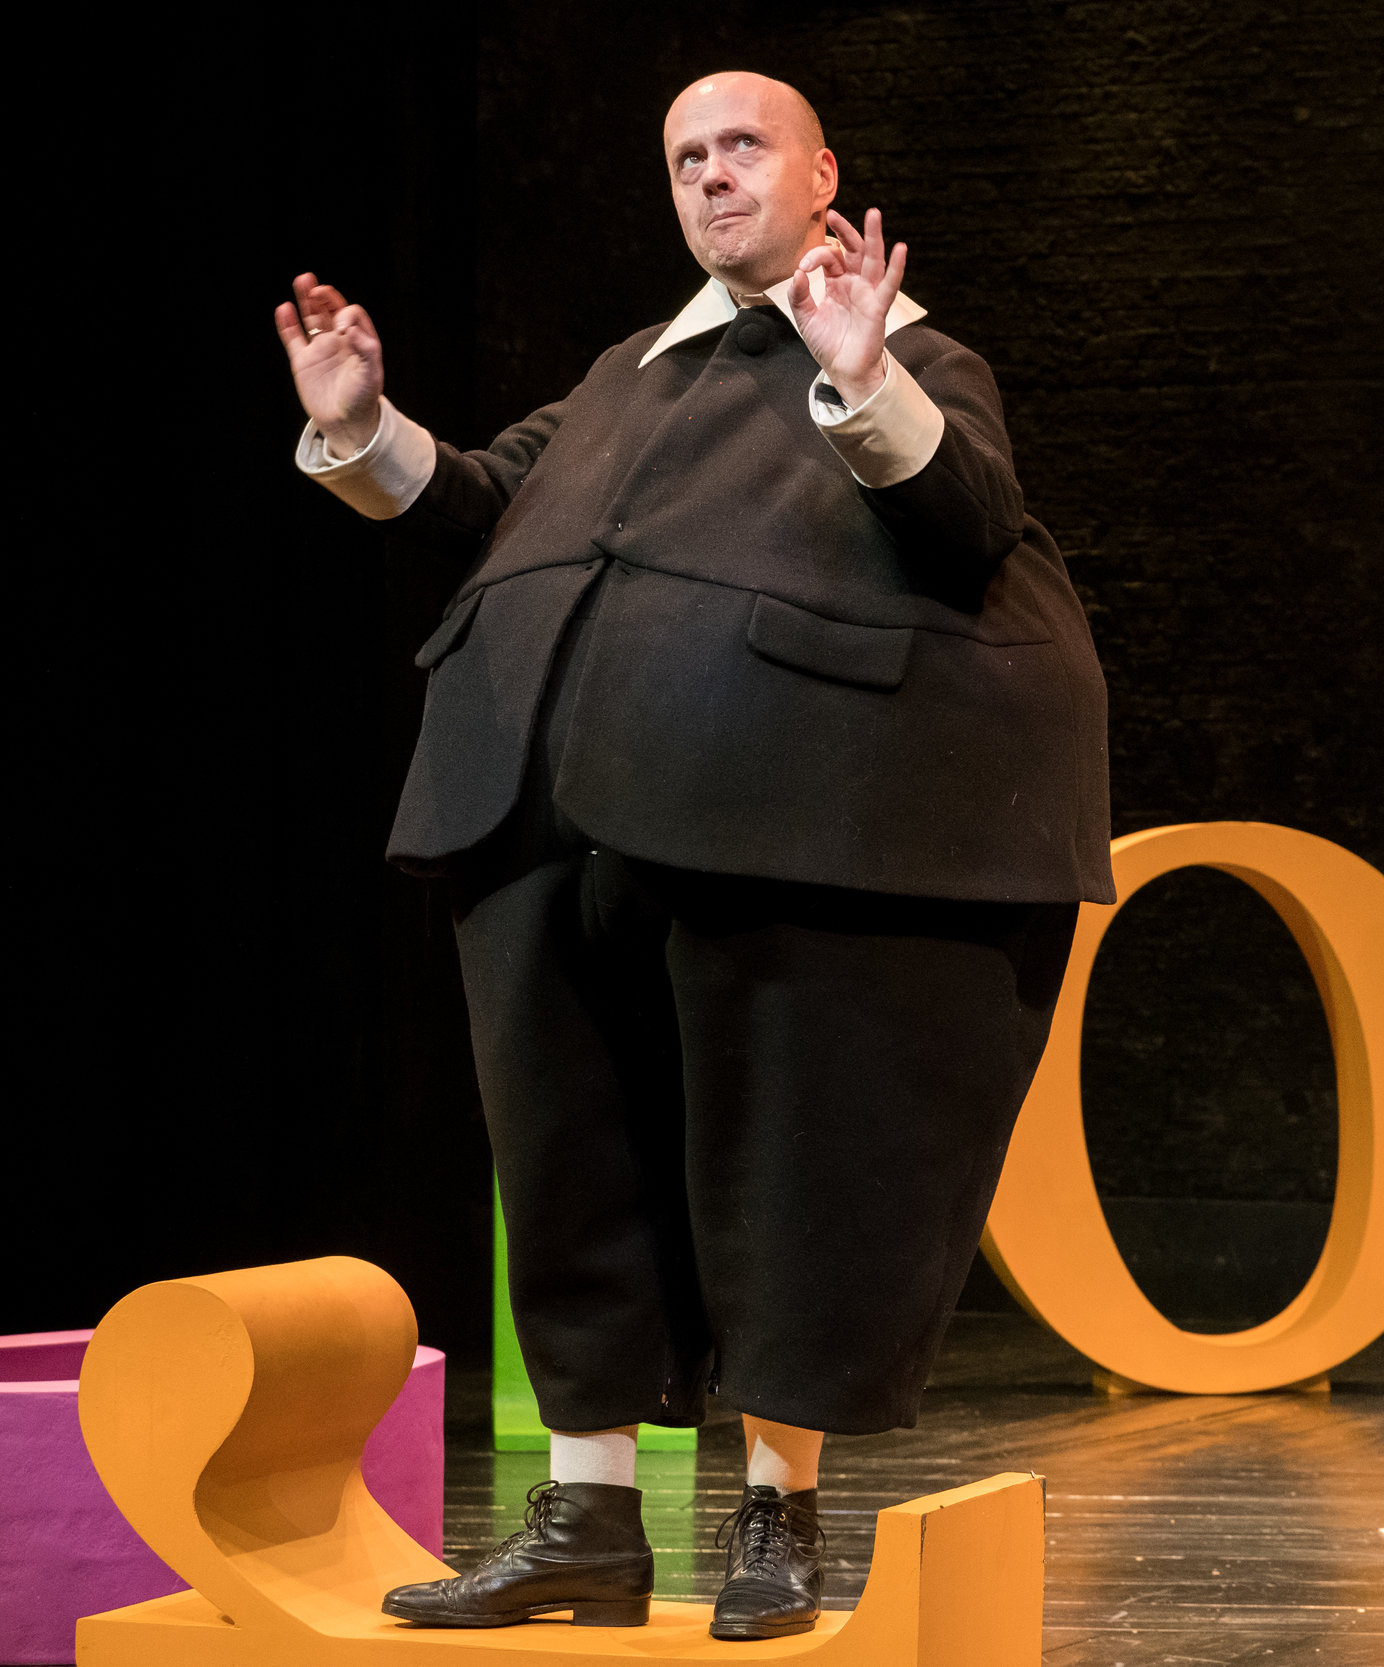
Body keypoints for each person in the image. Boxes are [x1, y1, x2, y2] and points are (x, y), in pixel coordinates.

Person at [276, 72, 1112, 1640]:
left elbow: (970, 521)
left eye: (742, 147)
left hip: (772, 840)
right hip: (544, 824)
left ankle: (776, 1516)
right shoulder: (622, 375)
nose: (712, 176)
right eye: (684, 159)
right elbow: (480, 503)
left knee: (778, 1173)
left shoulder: (916, 354)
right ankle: (587, 1517)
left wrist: (861, 374)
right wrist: (360, 429)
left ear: (821, 172)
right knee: (569, 1165)